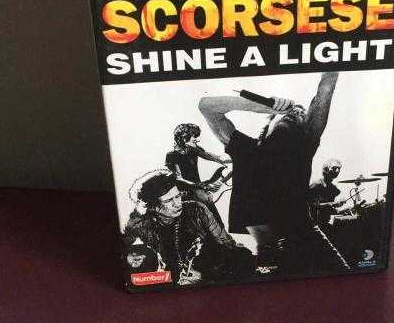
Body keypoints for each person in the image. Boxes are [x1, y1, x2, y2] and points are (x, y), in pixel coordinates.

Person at [198, 72, 350, 275]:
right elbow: (206, 106)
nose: (294, 112)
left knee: (345, 283)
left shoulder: (304, 145)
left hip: (308, 240)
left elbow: (327, 85)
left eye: (300, 113)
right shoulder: (246, 150)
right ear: (268, 124)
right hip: (268, 251)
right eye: (288, 112)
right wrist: (265, 106)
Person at [122, 168, 252, 285]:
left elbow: (227, 244)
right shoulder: (141, 224)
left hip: (207, 272)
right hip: (171, 279)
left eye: (178, 196)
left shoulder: (196, 210)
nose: (177, 203)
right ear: (153, 207)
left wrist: (206, 274)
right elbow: (122, 246)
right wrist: (130, 257)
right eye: (169, 200)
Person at [165, 123, 231, 226]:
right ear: (184, 138)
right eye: (194, 136)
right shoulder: (172, 155)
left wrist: (237, 157)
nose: (196, 139)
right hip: (186, 194)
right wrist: (199, 186)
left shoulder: (193, 149)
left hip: (200, 191)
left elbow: (218, 158)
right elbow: (178, 178)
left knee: (216, 221)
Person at [308, 159, 350, 228]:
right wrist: (333, 203)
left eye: (339, 169)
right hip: (314, 224)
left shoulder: (333, 188)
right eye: (334, 168)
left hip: (325, 222)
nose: (337, 171)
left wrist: (340, 211)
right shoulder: (316, 185)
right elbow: (313, 205)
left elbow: (328, 209)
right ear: (326, 169)